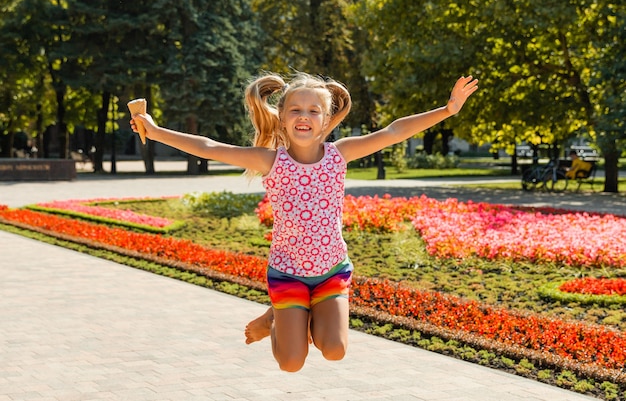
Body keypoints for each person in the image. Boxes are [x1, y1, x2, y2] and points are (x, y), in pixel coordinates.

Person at [130, 72, 478, 372]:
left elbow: (393, 131)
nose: (304, 116)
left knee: (335, 350)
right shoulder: (270, 160)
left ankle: (286, 315)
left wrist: (448, 109)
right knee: (291, 362)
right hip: (287, 273)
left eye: (314, 111)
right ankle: (278, 320)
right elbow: (208, 146)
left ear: (326, 121)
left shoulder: (340, 154)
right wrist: (157, 132)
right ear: (281, 117)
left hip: (331, 271)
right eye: (295, 109)